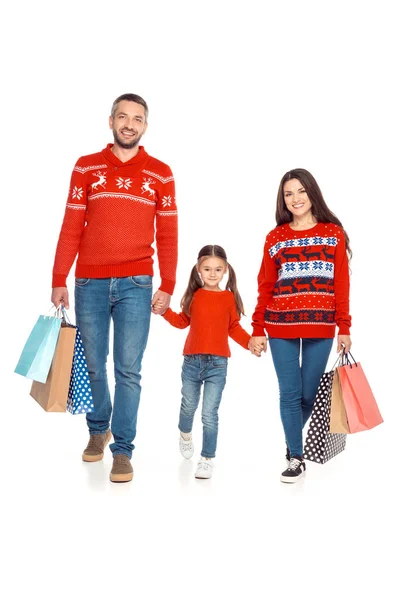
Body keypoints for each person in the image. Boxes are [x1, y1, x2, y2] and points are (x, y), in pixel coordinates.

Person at [51, 93, 178, 483]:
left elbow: (168, 233)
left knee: (128, 370)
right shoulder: (86, 168)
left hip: (137, 283)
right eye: (122, 117)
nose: (129, 124)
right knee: (91, 366)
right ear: (110, 121)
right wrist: (59, 277)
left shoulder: (160, 173)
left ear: (145, 126)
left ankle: (123, 450)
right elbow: (72, 225)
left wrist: (168, 283)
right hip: (88, 281)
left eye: (137, 119)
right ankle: (97, 431)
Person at [249, 168, 352, 483]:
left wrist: (344, 326)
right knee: (289, 393)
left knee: (308, 394)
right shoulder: (275, 237)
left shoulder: (332, 233)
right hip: (280, 325)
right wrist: (256, 328)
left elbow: (341, 284)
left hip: (321, 325)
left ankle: (291, 437)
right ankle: (296, 455)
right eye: (288, 193)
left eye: (301, 191)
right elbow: (265, 285)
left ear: (312, 193)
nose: (295, 199)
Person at [156, 245, 262, 479]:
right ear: (198, 270)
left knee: (209, 413)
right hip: (192, 362)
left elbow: (233, 328)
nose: (212, 274)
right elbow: (182, 321)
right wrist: (164, 312)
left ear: (225, 271)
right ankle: (185, 433)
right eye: (207, 269)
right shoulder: (194, 296)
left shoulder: (228, 298)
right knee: (188, 406)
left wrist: (250, 343)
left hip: (218, 364)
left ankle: (206, 459)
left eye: (217, 269)